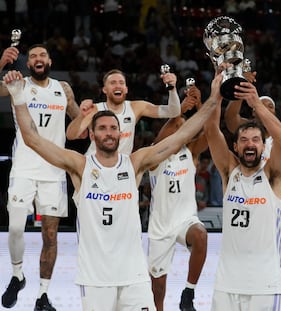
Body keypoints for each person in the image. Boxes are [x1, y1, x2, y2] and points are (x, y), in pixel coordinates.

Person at [2, 69, 223, 311]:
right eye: (103, 128)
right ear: (93, 135)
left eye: (113, 128)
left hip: (134, 276)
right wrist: (18, 97)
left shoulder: (135, 163)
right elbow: (33, 139)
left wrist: (214, 98)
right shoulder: (80, 165)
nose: (109, 132)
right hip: (95, 279)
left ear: (121, 133)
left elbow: (183, 135)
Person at [0, 44, 82, 311]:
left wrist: (89, 113)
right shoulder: (17, 83)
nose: (37, 59)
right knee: (14, 228)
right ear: (28, 62)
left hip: (54, 169)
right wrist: (1, 64)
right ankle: (17, 275)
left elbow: (78, 121)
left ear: (49, 60)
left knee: (50, 235)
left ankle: (42, 296)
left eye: (42, 55)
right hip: (23, 167)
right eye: (33, 56)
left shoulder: (63, 88)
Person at [205, 78, 281, 310]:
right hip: (226, 284)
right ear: (235, 147)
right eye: (243, 140)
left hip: (265, 285)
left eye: (255, 140)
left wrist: (255, 103)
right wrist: (217, 95)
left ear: (263, 146)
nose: (249, 144)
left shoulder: (273, 177)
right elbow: (211, 131)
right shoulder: (229, 173)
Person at [148, 85, 208, 311]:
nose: (182, 130)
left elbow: (211, 132)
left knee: (201, 236)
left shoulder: (190, 152)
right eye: (177, 128)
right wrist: (178, 112)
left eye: (185, 128)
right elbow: (170, 128)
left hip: (185, 220)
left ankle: (188, 293)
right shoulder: (153, 156)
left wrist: (200, 103)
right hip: (161, 225)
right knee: (158, 288)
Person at [66, 68, 181, 155]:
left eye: (121, 83)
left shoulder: (136, 107)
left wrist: (172, 88)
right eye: (113, 83)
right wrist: (82, 115)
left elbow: (173, 112)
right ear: (105, 90)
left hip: (121, 169)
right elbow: (71, 135)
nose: (118, 86)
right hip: (94, 167)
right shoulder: (95, 109)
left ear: (126, 89)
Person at [224, 72, 281, 173]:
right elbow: (230, 118)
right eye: (261, 105)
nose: (265, 109)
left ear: (274, 113)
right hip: (246, 185)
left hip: (273, 187)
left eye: (270, 107)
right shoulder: (246, 129)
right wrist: (241, 88)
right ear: (254, 112)